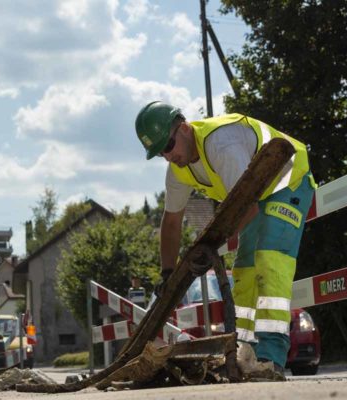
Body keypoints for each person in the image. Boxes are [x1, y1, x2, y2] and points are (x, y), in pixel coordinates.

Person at [135, 101, 316, 379]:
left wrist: (209, 247)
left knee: (269, 261)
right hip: (255, 194)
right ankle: (245, 350)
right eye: (160, 152)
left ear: (184, 129)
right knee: (243, 271)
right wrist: (167, 272)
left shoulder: (222, 145)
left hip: (287, 181)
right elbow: (171, 223)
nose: (167, 156)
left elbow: (247, 209)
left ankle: (270, 357)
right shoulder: (178, 172)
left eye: (168, 146)